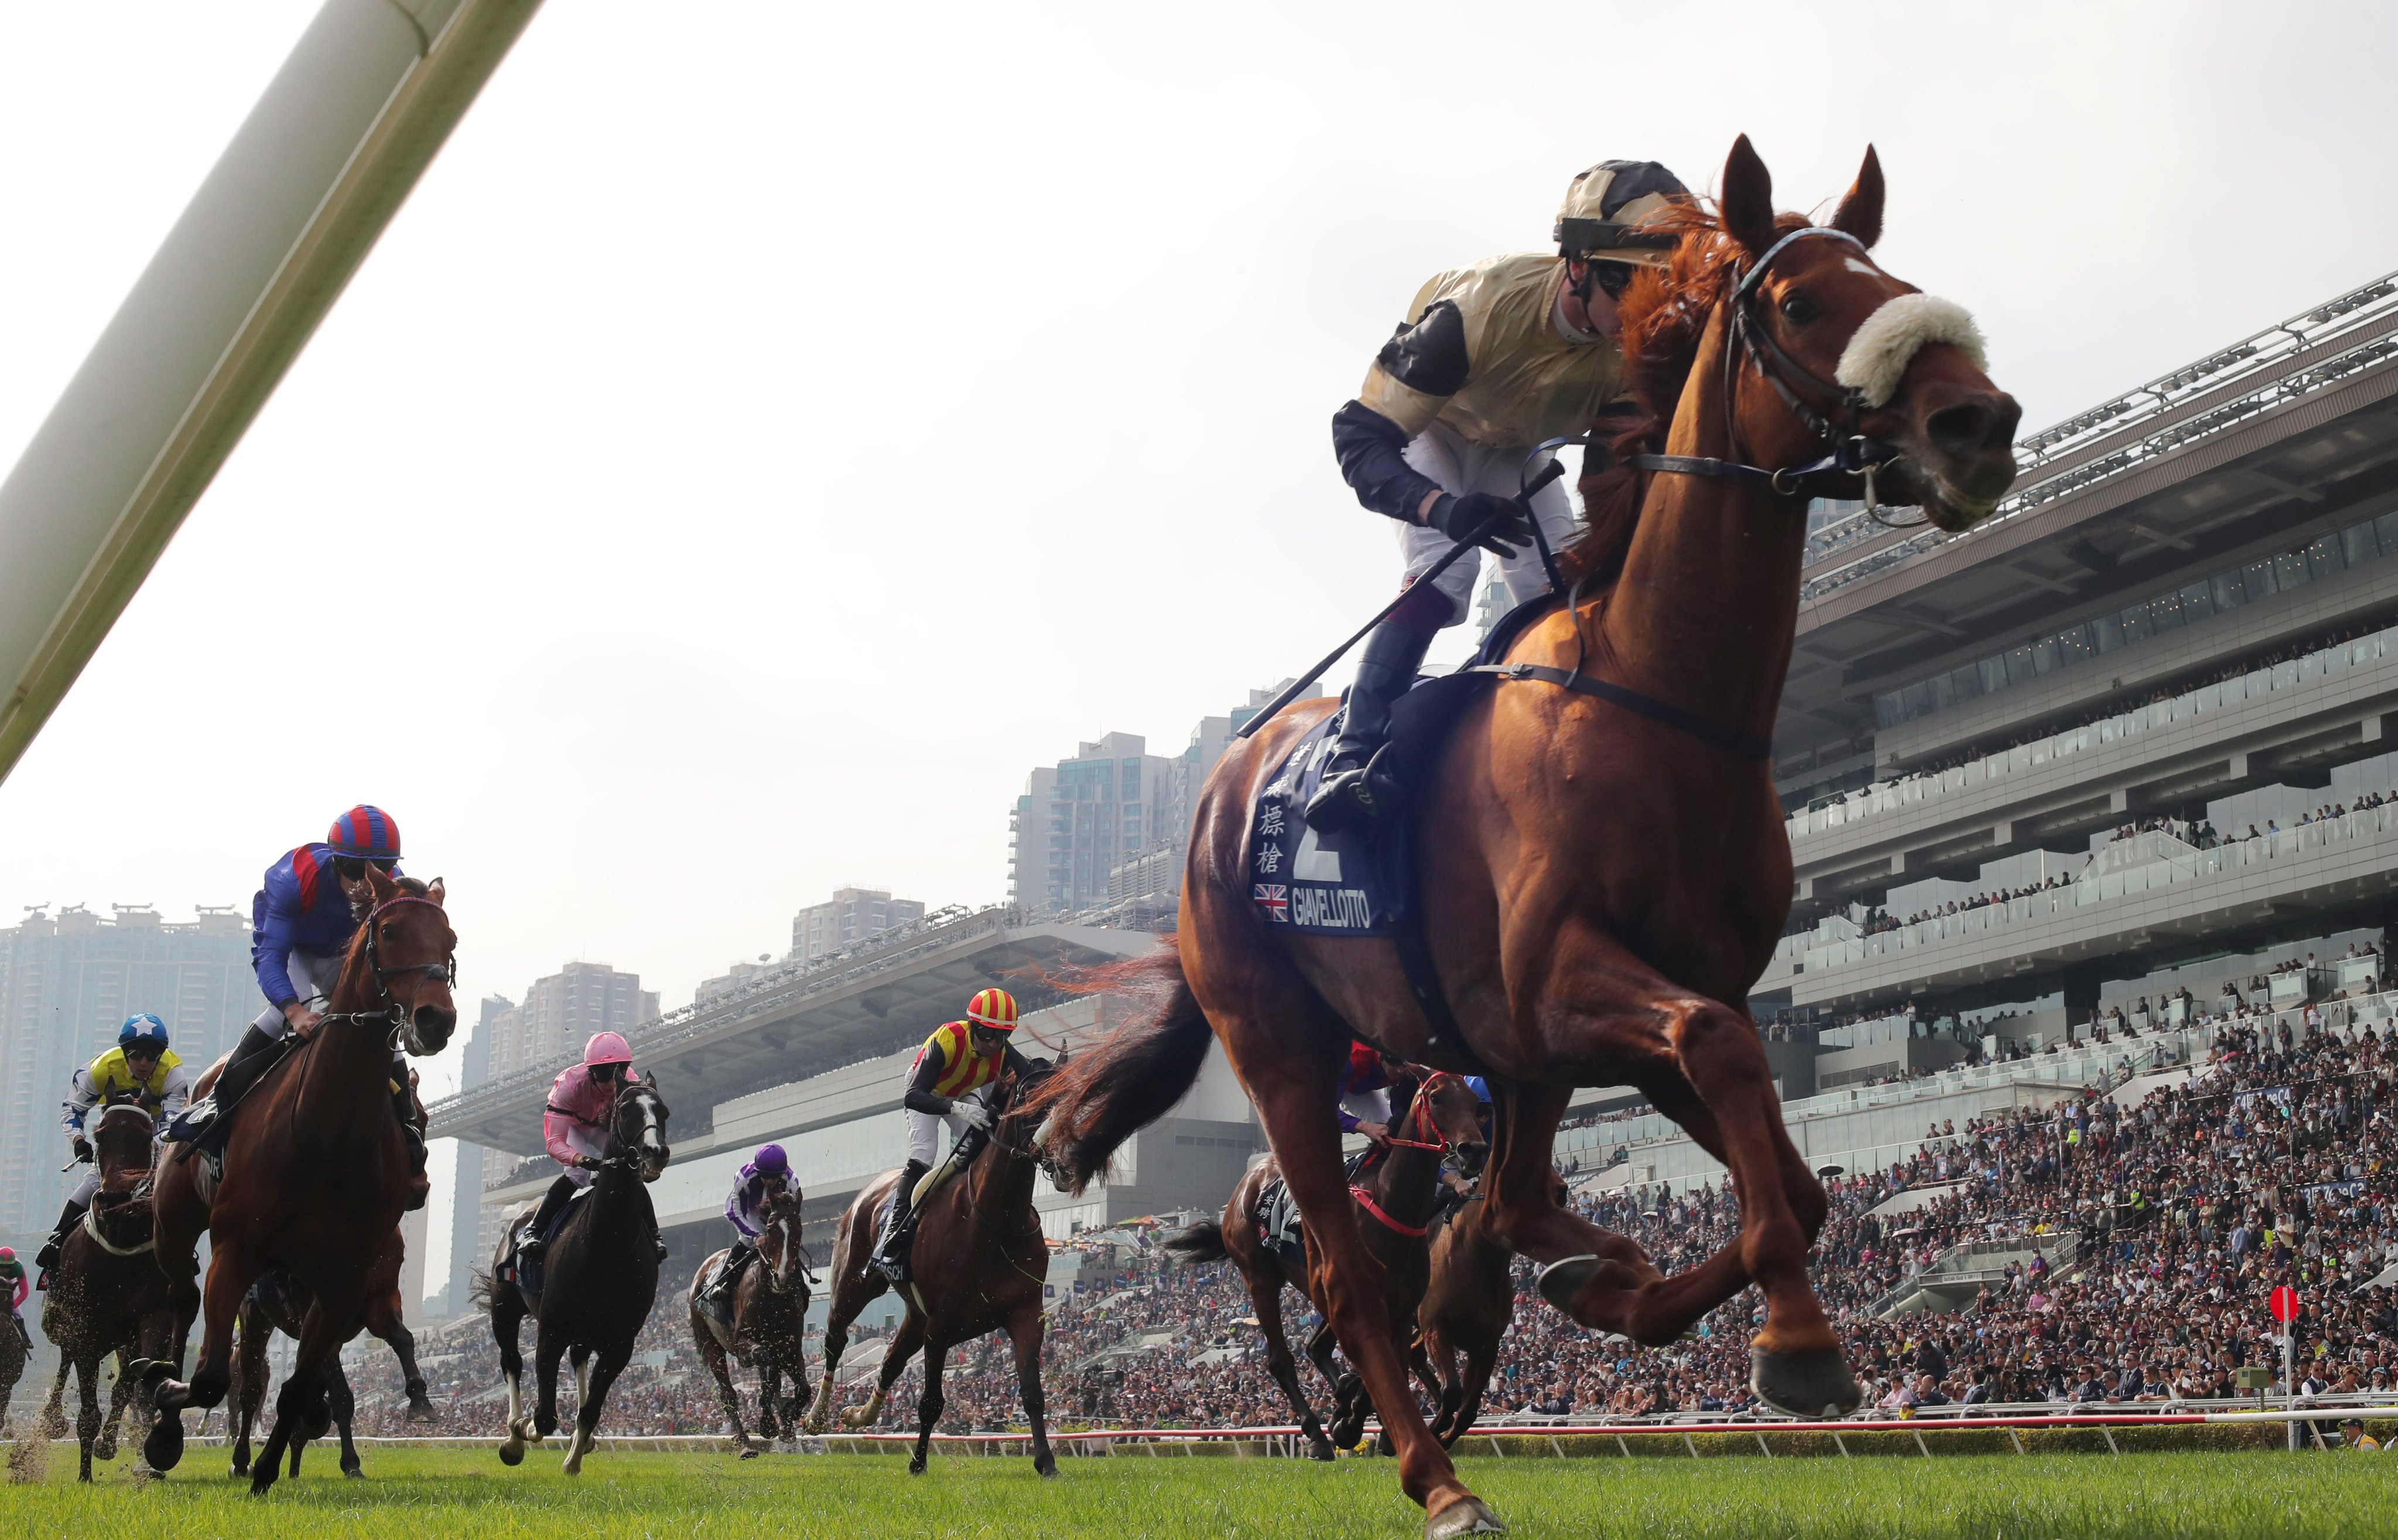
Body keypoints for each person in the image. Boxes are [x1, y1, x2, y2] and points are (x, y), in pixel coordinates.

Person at [1307, 158, 1689, 833]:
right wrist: (1443, 508)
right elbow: (1359, 438)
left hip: (1520, 450)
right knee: (1448, 569)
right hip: (1438, 429)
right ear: (1576, 263)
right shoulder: (1480, 306)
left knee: (1563, 589)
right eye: (1628, 282)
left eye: (1660, 287)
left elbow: (1609, 476)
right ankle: (1353, 747)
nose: (1642, 309)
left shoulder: (1637, 347)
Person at [170, 805, 422, 1180]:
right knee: (285, 1014)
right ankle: (216, 1107)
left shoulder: (393, 888)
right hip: (296, 951)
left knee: (381, 1024)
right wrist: (294, 1011)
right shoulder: (296, 878)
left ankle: (409, 1124)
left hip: (344, 954)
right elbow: (270, 956)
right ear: (337, 862)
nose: (366, 883)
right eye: (356, 870)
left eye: (379, 870)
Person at [870, 988, 1036, 1284]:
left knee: (986, 1145)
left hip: (962, 1091)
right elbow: (914, 1097)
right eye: (986, 1035)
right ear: (972, 1026)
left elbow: (1034, 1079)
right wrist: (955, 1108)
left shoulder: (1001, 1050)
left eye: (1002, 1037)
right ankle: (895, 1228)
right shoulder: (946, 1040)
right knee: (925, 1150)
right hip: (926, 1090)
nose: (993, 1044)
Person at [35, 1013, 187, 1276]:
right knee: (90, 1187)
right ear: (125, 1052)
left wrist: (149, 1151)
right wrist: (79, 1140)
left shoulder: (173, 1073)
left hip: (152, 1140)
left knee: (178, 1194)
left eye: (152, 1056)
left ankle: (186, 1255)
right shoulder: (101, 1069)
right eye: (137, 1054)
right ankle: (55, 1246)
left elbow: (170, 1124)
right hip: (115, 1142)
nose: (144, 1063)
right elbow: (73, 1107)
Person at [517, 1031, 665, 1267]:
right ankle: (534, 1230)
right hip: (574, 1127)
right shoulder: (568, 1086)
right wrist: (582, 1160)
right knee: (578, 1175)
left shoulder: (630, 1080)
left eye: (618, 1071)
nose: (611, 1082)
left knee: (630, 1166)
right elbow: (554, 1143)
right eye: (605, 1074)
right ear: (591, 1072)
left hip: (600, 1126)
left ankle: (654, 1235)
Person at [706, 1144, 794, 1310]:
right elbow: (734, 1212)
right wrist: (756, 1236)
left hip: (775, 1216)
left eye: (774, 1177)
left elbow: (793, 1214)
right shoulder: (744, 1178)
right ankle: (722, 1282)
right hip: (748, 1213)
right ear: (758, 1171)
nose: (770, 1181)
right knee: (746, 1243)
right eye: (765, 1177)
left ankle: (801, 1287)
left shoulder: (791, 1182)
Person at [0, 1246, 26, 1349]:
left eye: (8, 1267)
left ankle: (25, 1339)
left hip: (8, 1288)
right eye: (2, 1266)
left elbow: (24, 1292)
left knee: (19, 1315)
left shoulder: (18, 1269)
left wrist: (12, 1305)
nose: (5, 1270)